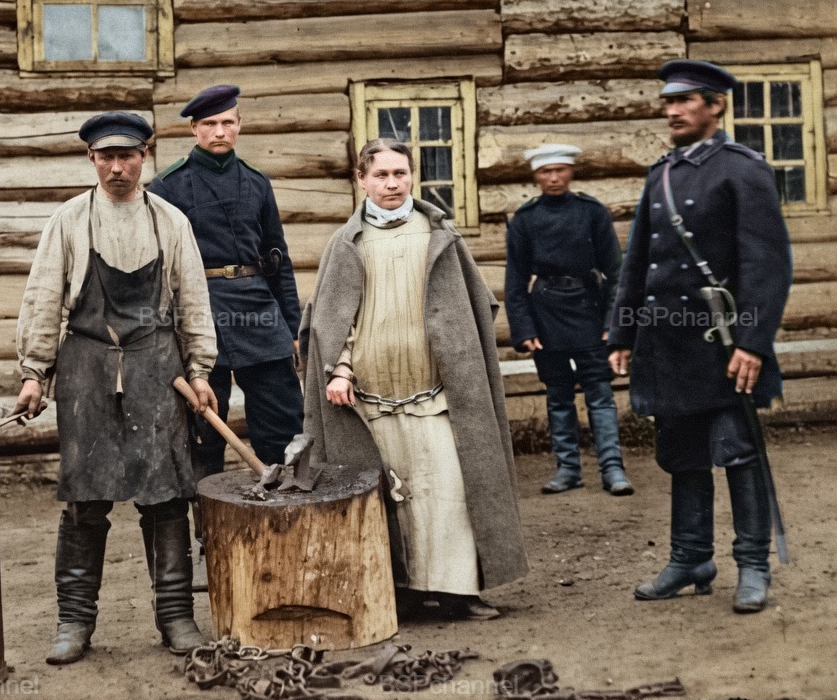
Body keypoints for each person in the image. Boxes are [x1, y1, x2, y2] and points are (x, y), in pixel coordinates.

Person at [15, 112, 218, 665]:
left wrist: (199, 370)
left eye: (127, 156)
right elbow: (42, 298)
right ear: (92, 160)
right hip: (86, 368)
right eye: (106, 157)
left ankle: (176, 616)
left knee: (167, 497)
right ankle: (74, 622)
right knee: (85, 499)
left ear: (144, 156)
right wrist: (35, 373)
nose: (117, 167)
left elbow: (194, 299)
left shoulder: (170, 222)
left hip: (158, 367)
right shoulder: (69, 221)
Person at [302, 138, 528, 621]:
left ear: (412, 177)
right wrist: (339, 367)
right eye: (380, 175)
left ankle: (457, 592)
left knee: (449, 493)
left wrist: (459, 356)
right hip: (368, 403)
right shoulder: (346, 244)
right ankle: (395, 593)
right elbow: (330, 319)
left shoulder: (441, 237)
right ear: (361, 180)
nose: (391, 184)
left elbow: (477, 307)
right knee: (385, 500)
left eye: (400, 174)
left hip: (435, 399)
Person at [608, 60, 792, 613]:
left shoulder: (743, 170)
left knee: (738, 453)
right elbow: (637, 260)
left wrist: (753, 343)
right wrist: (622, 331)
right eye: (667, 102)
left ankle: (753, 565)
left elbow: (768, 265)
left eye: (684, 101)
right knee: (681, 453)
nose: (671, 111)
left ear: (716, 105)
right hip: (668, 345)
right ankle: (691, 558)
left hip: (724, 345)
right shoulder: (659, 173)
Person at [148, 84, 304, 582]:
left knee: (282, 423)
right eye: (210, 124)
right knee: (201, 437)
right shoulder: (167, 187)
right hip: (198, 315)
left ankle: (285, 527)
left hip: (258, 311)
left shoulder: (257, 183)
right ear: (193, 129)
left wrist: (290, 326)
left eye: (229, 123)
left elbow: (277, 257)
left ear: (239, 125)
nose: (220, 132)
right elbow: (157, 270)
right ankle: (206, 544)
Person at [505, 144, 633, 496]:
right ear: (536, 176)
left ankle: (612, 469)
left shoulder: (591, 213)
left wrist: (613, 324)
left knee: (600, 392)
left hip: (589, 311)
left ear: (571, 172)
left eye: (560, 170)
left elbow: (615, 273)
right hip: (546, 315)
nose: (554, 178)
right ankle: (568, 469)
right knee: (558, 395)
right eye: (546, 172)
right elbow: (514, 280)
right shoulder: (525, 219)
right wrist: (525, 328)